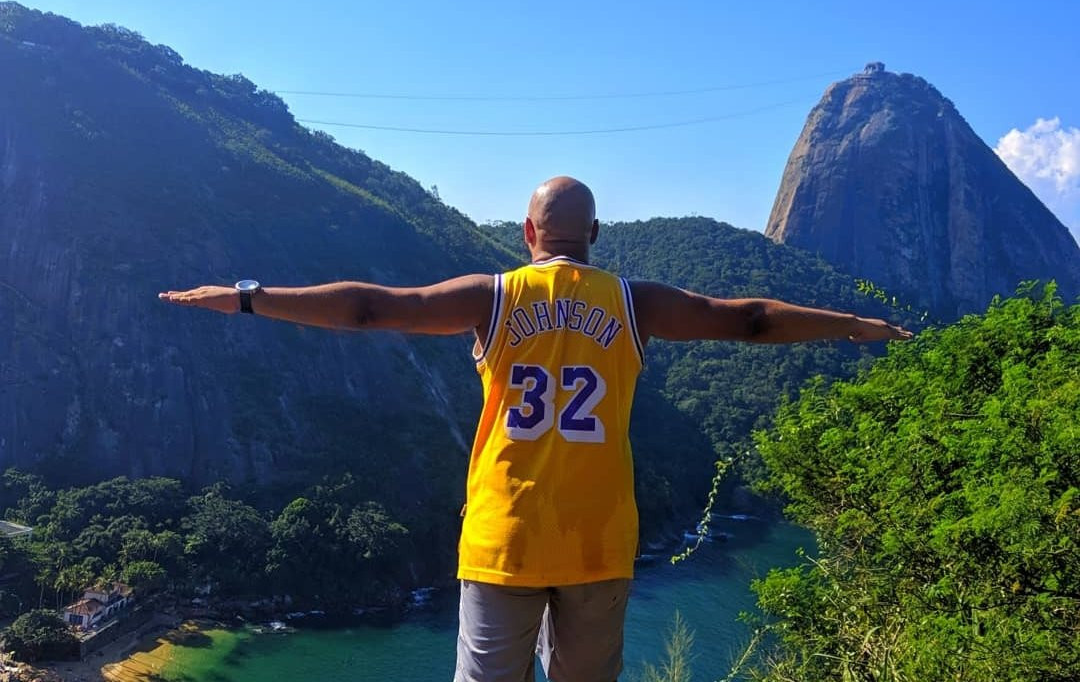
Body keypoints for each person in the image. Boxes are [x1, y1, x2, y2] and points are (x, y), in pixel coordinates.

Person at [160, 175, 911, 682]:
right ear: (595, 234)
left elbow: (372, 307)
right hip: (600, 545)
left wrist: (248, 296)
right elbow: (747, 319)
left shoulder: (489, 298)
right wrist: (852, 326)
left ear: (527, 232)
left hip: (503, 541)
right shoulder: (632, 303)